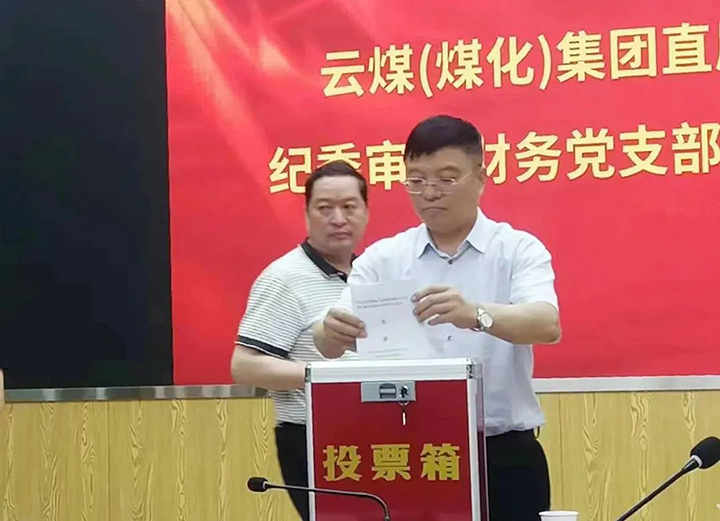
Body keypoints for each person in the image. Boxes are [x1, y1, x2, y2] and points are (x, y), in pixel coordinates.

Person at [313, 115, 561, 521]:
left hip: (501, 456)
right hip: (405, 453)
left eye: (446, 179)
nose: (429, 193)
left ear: (480, 177)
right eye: (416, 180)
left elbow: (546, 323)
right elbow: (327, 341)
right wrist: (331, 332)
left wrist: (474, 314)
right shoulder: (383, 258)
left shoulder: (516, 249)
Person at [231, 160, 369, 521]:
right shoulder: (285, 278)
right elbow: (244, 366)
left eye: (349, 206)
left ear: (366, 212)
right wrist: (325, 378)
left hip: (375, 435)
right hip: (313, 438)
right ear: (307, 214)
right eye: (325, 208)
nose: (338, 218)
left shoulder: (369, 274)